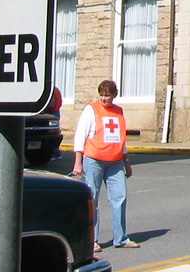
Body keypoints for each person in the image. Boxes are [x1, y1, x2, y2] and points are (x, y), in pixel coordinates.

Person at [70, 80, 140, 250]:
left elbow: (120, 139)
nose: (104, 98)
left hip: (115, 161)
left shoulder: (118, 112)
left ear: (114, 95)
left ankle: (121, 238)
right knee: (91, 199)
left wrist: (126, 162)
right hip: (94, 160)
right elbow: (81, 135)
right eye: (101, 94)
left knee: (119, 198)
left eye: (107, 95)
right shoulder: (91, 109)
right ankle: (91, 240)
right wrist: (78, 162)